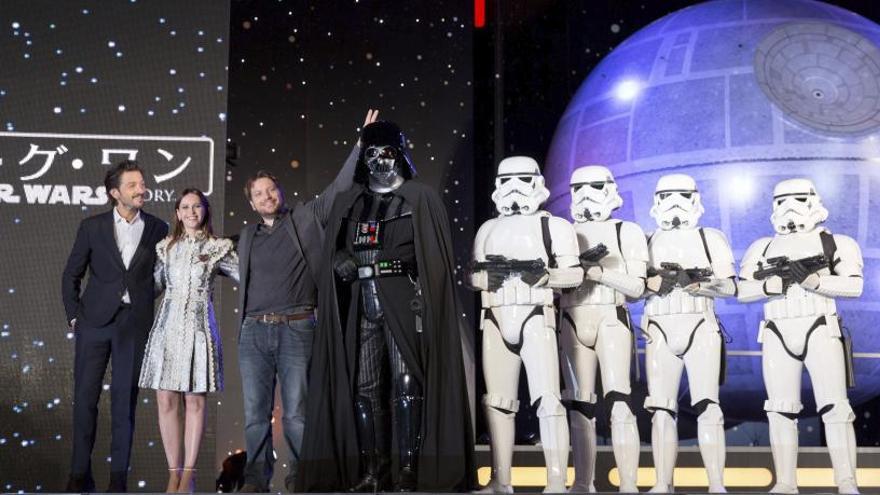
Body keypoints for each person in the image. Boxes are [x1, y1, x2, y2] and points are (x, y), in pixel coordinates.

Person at [296, 120, 474, 492]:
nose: (379, 160)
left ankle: (408, 469)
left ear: (401, 154)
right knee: (365, 388)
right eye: (372, 153)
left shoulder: (420, 198)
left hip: (403, 301)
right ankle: (373, 472)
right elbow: (333, 249)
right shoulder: (350, 202)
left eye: (387, 152)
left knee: (407, 384)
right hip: (362, 303)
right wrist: (340, 258)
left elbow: (434, 261)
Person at [236, 110, 376, 492]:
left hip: (297, 328)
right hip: (253, 332)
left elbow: (339, 187)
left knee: (297, 413)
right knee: (254, 416)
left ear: (280, 191)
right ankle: (255, 480)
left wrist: (360, 143)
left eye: (271, 190)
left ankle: (300, 477)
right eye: (258, 194)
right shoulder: (246, 237)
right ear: (251, 203)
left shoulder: (306, 218)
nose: (266, 197)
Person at [738, 178, 863, 495]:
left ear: (813, 201)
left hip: (819, 325)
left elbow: (854, 285)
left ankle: (846, 480)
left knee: (835, 408)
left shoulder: (834, 243)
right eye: (782, 201)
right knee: (779, 409)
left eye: (797, 199)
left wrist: (814, 282)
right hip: (778, 329)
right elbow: (741, 289)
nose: (790, 208)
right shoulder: (763, 247)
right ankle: (785, 481)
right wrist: (770, 286)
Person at [471, 156, 583, 494]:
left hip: (536, 313)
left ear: (536, 182)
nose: (515, 187)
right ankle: (500, 480)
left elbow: (574, 274)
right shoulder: (488, 229)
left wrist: (544, 275)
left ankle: (556, 481)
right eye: (507, 180)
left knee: (548, 400)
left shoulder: (554, 227)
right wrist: (488, 275)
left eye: (523, 179)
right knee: (497, 402)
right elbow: (472, 274)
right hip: (495, 315)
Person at [61, 160, 169, 492]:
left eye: (142, 183)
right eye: (133, 185)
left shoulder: (158, 228)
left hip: (133, 325)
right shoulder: (91, 227)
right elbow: (71, 275)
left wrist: (142, 299)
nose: (142, 189)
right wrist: (75, 316)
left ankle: (118, 480)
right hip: (94, 323)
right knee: (85, 399)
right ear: (115, 193)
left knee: (125, 402)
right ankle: (80, 474)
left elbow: (163, 276)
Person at [139, 188, 239, 492]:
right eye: (185, 207)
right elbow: (153, 286)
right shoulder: (165, 248)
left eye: (197, 206)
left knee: (195, 400)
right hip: (167, 329)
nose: (191, 212)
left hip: (199, 329)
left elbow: (247, 275)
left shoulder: (219, 247)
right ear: (178, 213)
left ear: (205, 211)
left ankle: (189, 474)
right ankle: (173, 471)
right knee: (166, 398)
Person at [642, 174, 736, 494]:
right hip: (659, 326)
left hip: (700, 324)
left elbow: (731, 285)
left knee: (708, 405)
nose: (674, 203)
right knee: (661, 408)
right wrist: (652, 283)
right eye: (667, 196)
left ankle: (716, 483)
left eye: (681, 195)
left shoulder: (711, 238)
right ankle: (661, 482)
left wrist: (704, 284)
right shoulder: (647, 239)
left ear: (694, 198)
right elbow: (631, 288)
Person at [559, 165, 645, 493]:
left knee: (619, 401)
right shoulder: (563, 231)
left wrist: (599, 273)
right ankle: (582, 483)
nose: (585, 195)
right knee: (580, 405)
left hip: (611, 315)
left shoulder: (628, 231)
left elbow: (636, 288)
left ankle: (628, 484)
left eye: (593, 186)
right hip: (572, 316)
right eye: (577, 188)